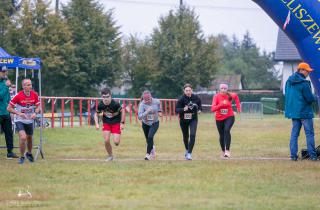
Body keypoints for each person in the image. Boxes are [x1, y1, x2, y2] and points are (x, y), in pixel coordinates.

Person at [285, 62, 317, 161]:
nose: (308, 73)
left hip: (294, 112)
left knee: (294, 134)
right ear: (301, 70)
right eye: (307, 71)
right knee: (309, 134)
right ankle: (313, 156)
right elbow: (309, 98)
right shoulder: (304, 83)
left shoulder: (288, 82)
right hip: (305, 112)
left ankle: (293, 156)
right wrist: (316, 97)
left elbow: (287, 95)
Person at [7, 78, 40, 164]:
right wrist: (18, 113)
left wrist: (35, 113)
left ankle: (29, 154)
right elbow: (9, 108)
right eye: (28, 85)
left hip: (29, 121)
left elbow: (38, 107)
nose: (30, 86)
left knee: (29, 138)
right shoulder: (18, 96)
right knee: (23, 137)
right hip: (20, 120)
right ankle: (22, 157)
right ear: (23, 86)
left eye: (31, 84)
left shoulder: (34, 95)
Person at [94, 88, 126, 161]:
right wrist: (97, 124)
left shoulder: (115, 104)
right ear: (102, 97)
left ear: (110, 96)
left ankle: (116, 136)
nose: (106, 99)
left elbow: (123, 111)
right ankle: (110, 156)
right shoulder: (100, 104)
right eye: (104, 97)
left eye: (107, 96)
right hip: (106, 122)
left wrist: (122, 123)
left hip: (116, 122)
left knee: (116, 142)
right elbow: (96, 114)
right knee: (106, 141)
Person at [211, 83, 241, 158]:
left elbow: (236, 97)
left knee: (227, 130)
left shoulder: (230, 95)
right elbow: (213, 109)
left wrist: (238, 108)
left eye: (225, 88)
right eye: (222, 88)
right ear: (219, 89)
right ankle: (223, 151)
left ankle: (227, 151)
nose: (223, 90)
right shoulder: (216, 96)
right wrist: (221, 104)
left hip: (229, 116)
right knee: (221, 135)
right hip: (219, 118)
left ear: (227, 89)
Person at [175, 84, 202, 160]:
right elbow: (176, 110)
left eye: (189, 90)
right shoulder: (181, 99)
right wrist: (183, 109)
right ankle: (187, 149)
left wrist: (199, 110)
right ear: (184, 91)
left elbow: (200, 106)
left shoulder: (196, 98)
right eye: (186, 90)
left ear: (192, 90)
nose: (188, 92)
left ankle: (189, 153)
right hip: (183, 120)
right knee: (185, 136)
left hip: (193, 119)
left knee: (193, 134)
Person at [138, 91, 162, 160]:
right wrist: (147, 111)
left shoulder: (156, 101)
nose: (147, 101)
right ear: (143, 99)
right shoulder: (142, 104)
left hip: (155, 122)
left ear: (151, 97)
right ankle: (152, 148)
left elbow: (159, 106)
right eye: (145, 100)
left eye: (148, 100)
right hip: (145, 124)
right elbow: (139, 117)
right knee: (148, 139)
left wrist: (160, 111)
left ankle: (147, 155)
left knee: (150, 137)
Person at [0, 66, 18, 159]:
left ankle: (10, 152)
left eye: (5, 72)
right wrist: (6, 87)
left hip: (6, 112)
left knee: (9, 133)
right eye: (3, 72)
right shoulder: (4, 84)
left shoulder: (4, 82)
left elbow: (7, 98)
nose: (5, 73)